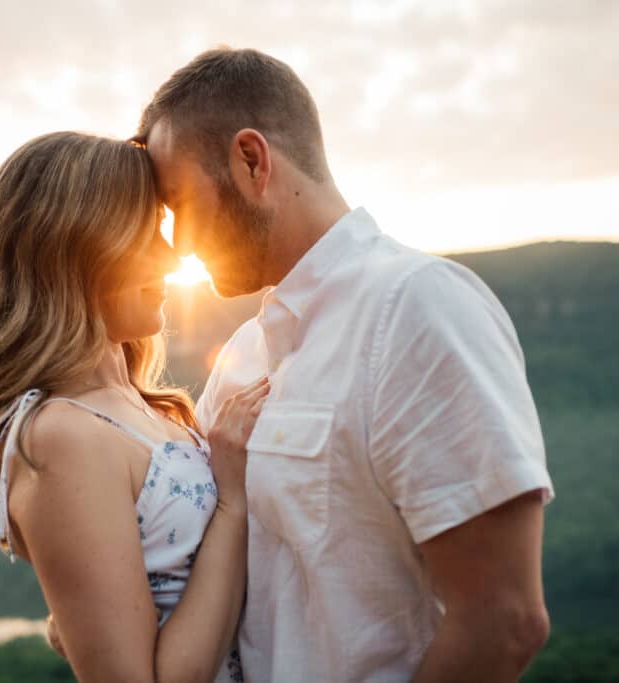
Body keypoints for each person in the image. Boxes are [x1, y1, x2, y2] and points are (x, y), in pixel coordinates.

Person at [130, 48, 556, 682]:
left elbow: (503, 618)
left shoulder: (417, 309)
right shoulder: (244, 356)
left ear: (252, 161)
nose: (177, 246)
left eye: (179, 207)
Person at [0, 131, 265, 682]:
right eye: (143, 236)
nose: (170, 255)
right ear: (72, 248)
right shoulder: (63, 435)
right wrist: (232, 503)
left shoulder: (138, 405)